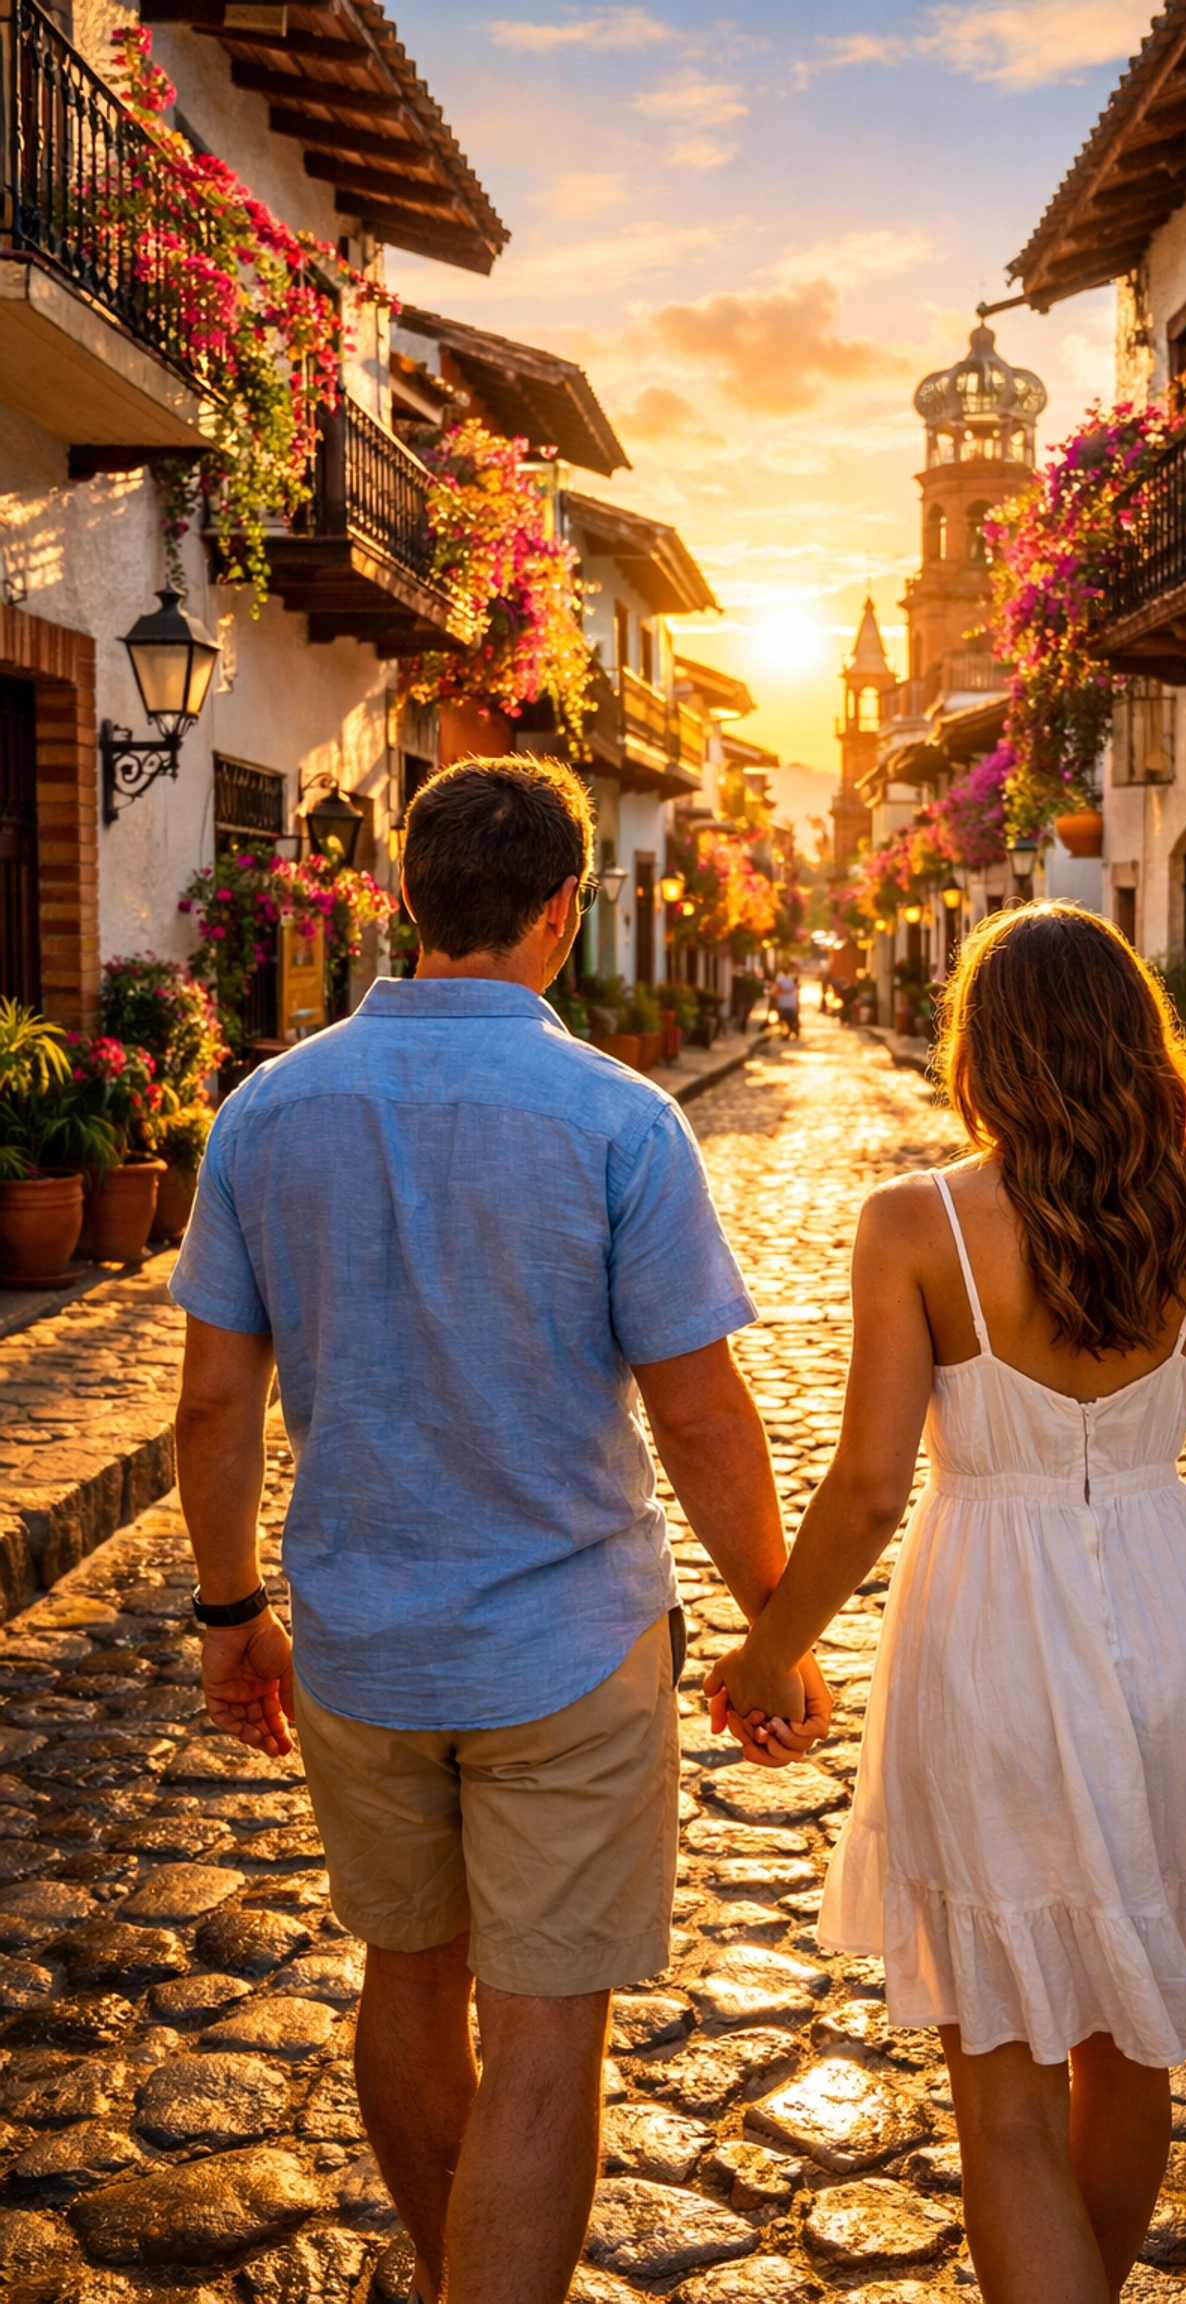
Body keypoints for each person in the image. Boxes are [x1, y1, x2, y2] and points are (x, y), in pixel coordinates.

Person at [170, 755, 829, 2304]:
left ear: (408, 900)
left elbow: (210, 1404)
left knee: (407, 1978)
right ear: (562, 911)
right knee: (544, 2029)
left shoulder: (269, 1111)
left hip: (357, 1649)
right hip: (568, 1654)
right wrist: (776, 1629)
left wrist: (228, 1613)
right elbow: (704, 1415)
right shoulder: (620, 1120)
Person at [707, 903, 1186, 2304]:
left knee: (1000, 2087)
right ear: (1137, 1044)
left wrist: (773, 1649)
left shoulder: (914, 1226)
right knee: (1133, 2051)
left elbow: (871, 1488)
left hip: (986, 1639)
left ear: (980, 1055)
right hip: (1179, 1631)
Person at [773, 963, 801, 1039]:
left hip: (785, 1002)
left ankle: (791, 1032)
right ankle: (792, 1031)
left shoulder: (781, 978)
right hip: (791, 1002)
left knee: (788, 1018)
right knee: (790, 1018)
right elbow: (798, 987)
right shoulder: (792, 978)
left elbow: (776, 989)